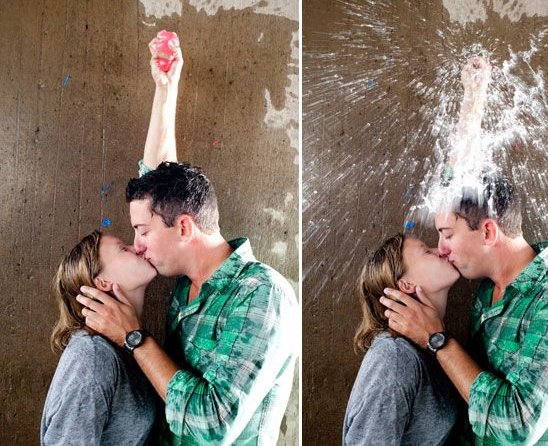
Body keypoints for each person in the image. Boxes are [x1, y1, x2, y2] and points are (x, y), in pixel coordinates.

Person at [76, 34, 299, 445]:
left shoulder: (262, 293)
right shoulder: (187, 283)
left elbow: (212, 425)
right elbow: (161, 180)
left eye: (141, 232)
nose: (138, 244)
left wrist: (134, 337)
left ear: (183, 228)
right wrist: (166, 90)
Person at [380, 59, 548, 444]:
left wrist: (438, 339)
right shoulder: (488, 291)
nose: (442, 248)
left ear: (488, 231)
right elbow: (457, 180)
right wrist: (474, 99)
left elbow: (515, 428)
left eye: (447, 234)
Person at [41, 232, 159, 445]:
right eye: (123, 248)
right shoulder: (91, 356)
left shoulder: (128, 347)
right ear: (103, 282)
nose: (138, 247)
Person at [343, 233, 460, 445]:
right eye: (426, 251)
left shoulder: (432, 349)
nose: (440, 250)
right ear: (406, 284)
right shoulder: (393, 359)